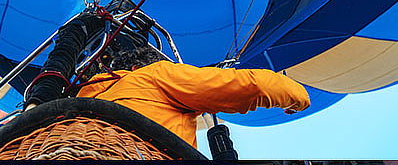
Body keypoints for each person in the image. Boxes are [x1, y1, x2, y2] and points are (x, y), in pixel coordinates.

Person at [76, 46, 311, 148]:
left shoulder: (89, 93)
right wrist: (297, 96)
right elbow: (244, 86)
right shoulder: (156, 73)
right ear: (140, 65)